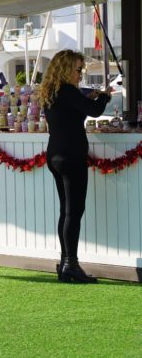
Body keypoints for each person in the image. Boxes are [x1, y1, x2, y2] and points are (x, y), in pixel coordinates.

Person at [41, 49, 111, 283]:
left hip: (56, 154)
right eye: (78, 69)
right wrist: (105, 96)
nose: (80, 73)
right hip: (71, 156)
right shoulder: (68, 91)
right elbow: (95, 111)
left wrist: (91, 96)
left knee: (66, 211)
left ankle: (66, 262)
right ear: (66, 69)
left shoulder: (52, 90)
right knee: (74, 211)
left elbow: (76, 106)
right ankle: (71, 264)